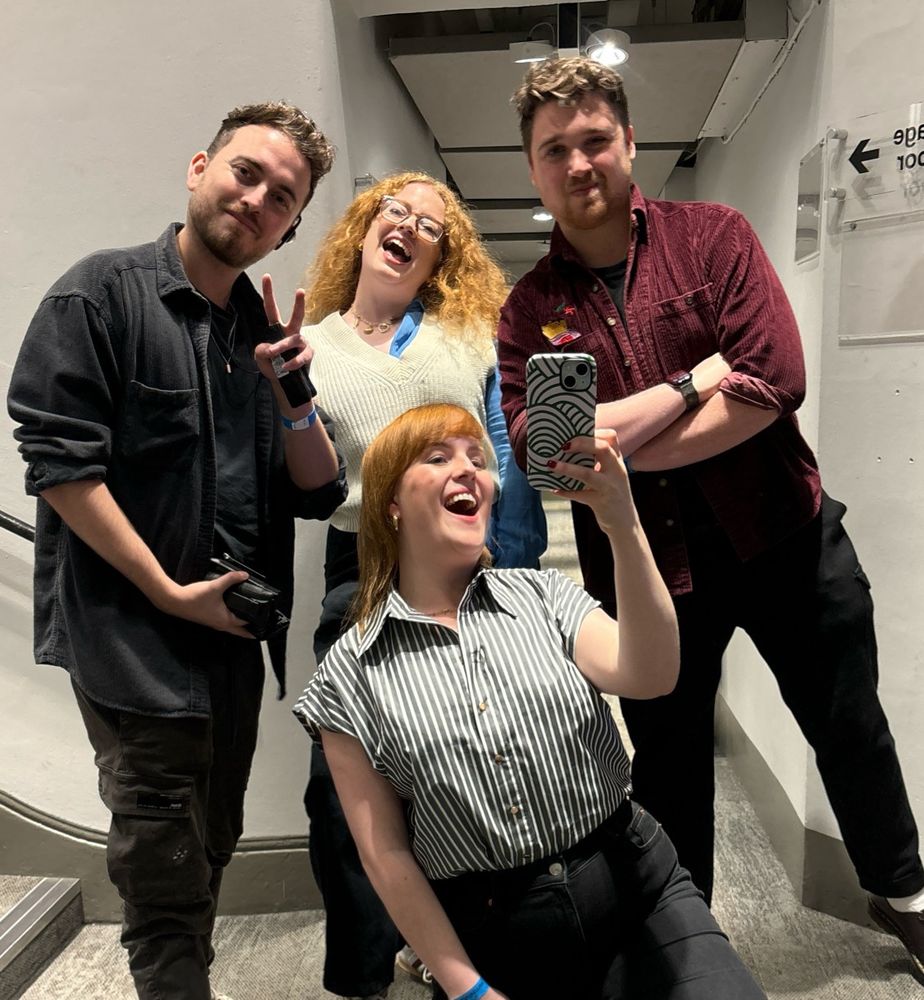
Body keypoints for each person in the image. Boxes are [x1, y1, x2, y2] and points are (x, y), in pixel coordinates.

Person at [495, 54, 924, 985]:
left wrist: (615, 440)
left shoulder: (714, 238)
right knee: (670, 763)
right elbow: (544, 449)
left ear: (630, 143)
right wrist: (690, 383)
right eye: (554, 148)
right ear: (533, 169)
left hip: (787, 540)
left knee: (850, 728)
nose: (579, 162)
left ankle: (904, 895)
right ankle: (688, 947)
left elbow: (774, 380)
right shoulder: (531, 310)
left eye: (595, 139)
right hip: (648, 572)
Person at [7, 102, 347, 1000]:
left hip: (232, 645)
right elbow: (58, 466)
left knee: (211, 842)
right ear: (200, 168)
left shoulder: (262, 339)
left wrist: (294, 394)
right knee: (160, 870)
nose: (257, 198)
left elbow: (320, 492)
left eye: (283, 196)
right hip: (133, 641)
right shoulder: (101, 295)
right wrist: (166, 590)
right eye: (247, 172)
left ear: (289, 228)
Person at [293, 402, 768, 1000]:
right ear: (390, 504)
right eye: (438, 458)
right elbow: (386, 854)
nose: (469, 472)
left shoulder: (543, 596)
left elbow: (652, 674)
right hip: (495, 931)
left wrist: (623, 522)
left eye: (478, 460)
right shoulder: (348, 676)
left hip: (636, 887)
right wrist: (468, 990)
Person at [300, 171, 547, 999]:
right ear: (366, 229)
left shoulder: (466, 332)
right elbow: (310, 482)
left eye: (430, 226)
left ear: (442, 257)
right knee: (345, 797)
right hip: (362, 574)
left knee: (476, 762)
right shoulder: (316, 345)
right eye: (394, 212)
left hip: (474, 562)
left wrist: (510, 576)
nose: (408, 227)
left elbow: (502, 457)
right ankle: (363, 978)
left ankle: (465, 955)